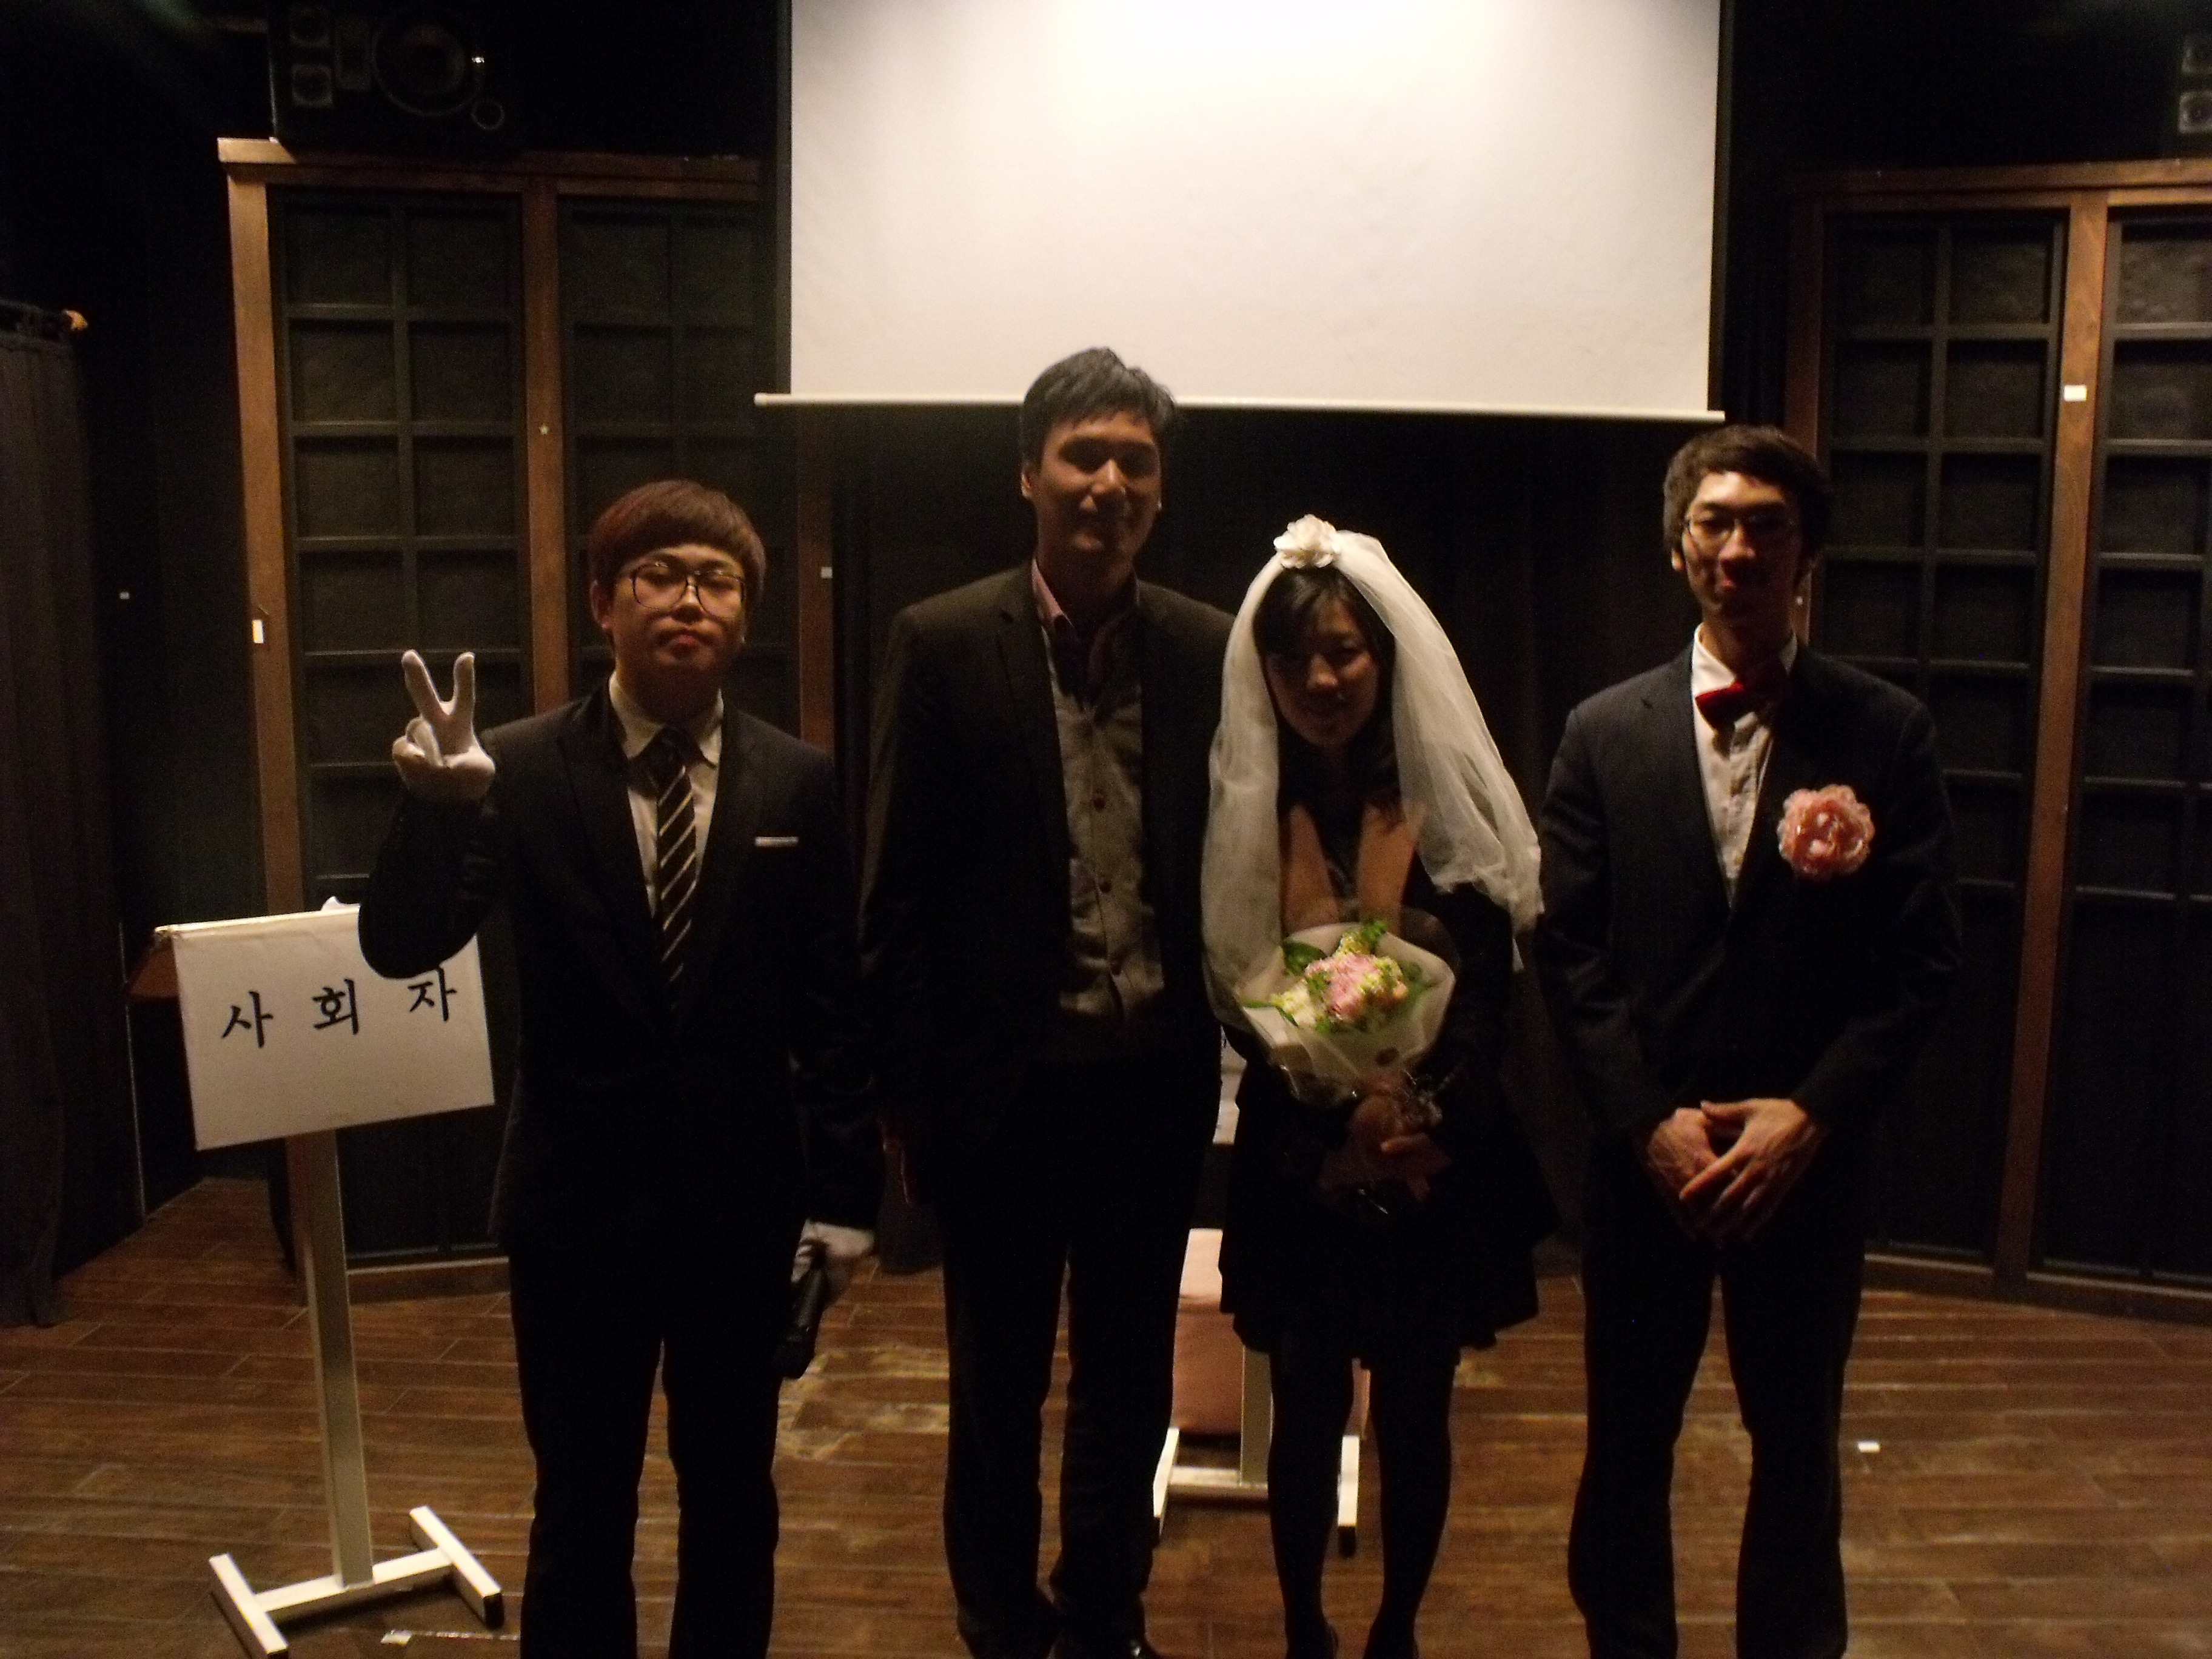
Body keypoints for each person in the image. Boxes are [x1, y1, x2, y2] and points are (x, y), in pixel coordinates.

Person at [357, 479, 880, 1659]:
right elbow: (401, 946)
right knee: (581, 1508)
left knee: (733, 1502)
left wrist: (847, 1196)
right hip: (576, 1210)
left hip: (741, 1211)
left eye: (716, 580)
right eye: (658, 576)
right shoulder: (517, 766)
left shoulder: (797, 778)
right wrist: (435, 812)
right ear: (604, 602)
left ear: (744, 615)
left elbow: (831, 1003)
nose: (689, 600)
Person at [1534, 426, 1961, 1659]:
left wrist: (1809, 1116)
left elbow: (1923, 965)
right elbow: (1571, 952)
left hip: (1805, 1171)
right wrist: (1646, 1122)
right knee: (1627, 1442)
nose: (1739, 549)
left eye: (1768, 526)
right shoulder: (1600, 731)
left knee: (1798, 1445)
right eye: (1715, 524)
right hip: (1647, 1169)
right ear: (1679, 549)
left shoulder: (1885, 733)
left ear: (1807, 551)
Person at [860, 349, 1232, 1659]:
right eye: (1085, 456)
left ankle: (1105, 1614)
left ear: (1161, 490)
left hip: (1151, 1080)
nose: (1109, 483)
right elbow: (896, 889)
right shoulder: (943, 640)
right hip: (1000, 1093)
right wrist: (905, 1098)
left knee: (1127, 1378)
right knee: (998, 1383)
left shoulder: (1207, 647)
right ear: (1029, 474)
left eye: (1136, 461)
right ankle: (999, 1622)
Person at [1204, 516, 1557, 1659]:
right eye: (1297, 657)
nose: (1322, 679)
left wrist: (1417, 1114)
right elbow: (1238, 988)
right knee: (1303, 1408)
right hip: (1302, 1162)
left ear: (1385, 656)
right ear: (1265, 671)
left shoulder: (1439, 799)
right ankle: (1304, 1625)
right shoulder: (1250, 808)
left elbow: (1488, 988)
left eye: (1346, 651)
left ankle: (1397, 1627)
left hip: (1431, 1160)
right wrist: (1333, 1118)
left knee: (1417, 1409)